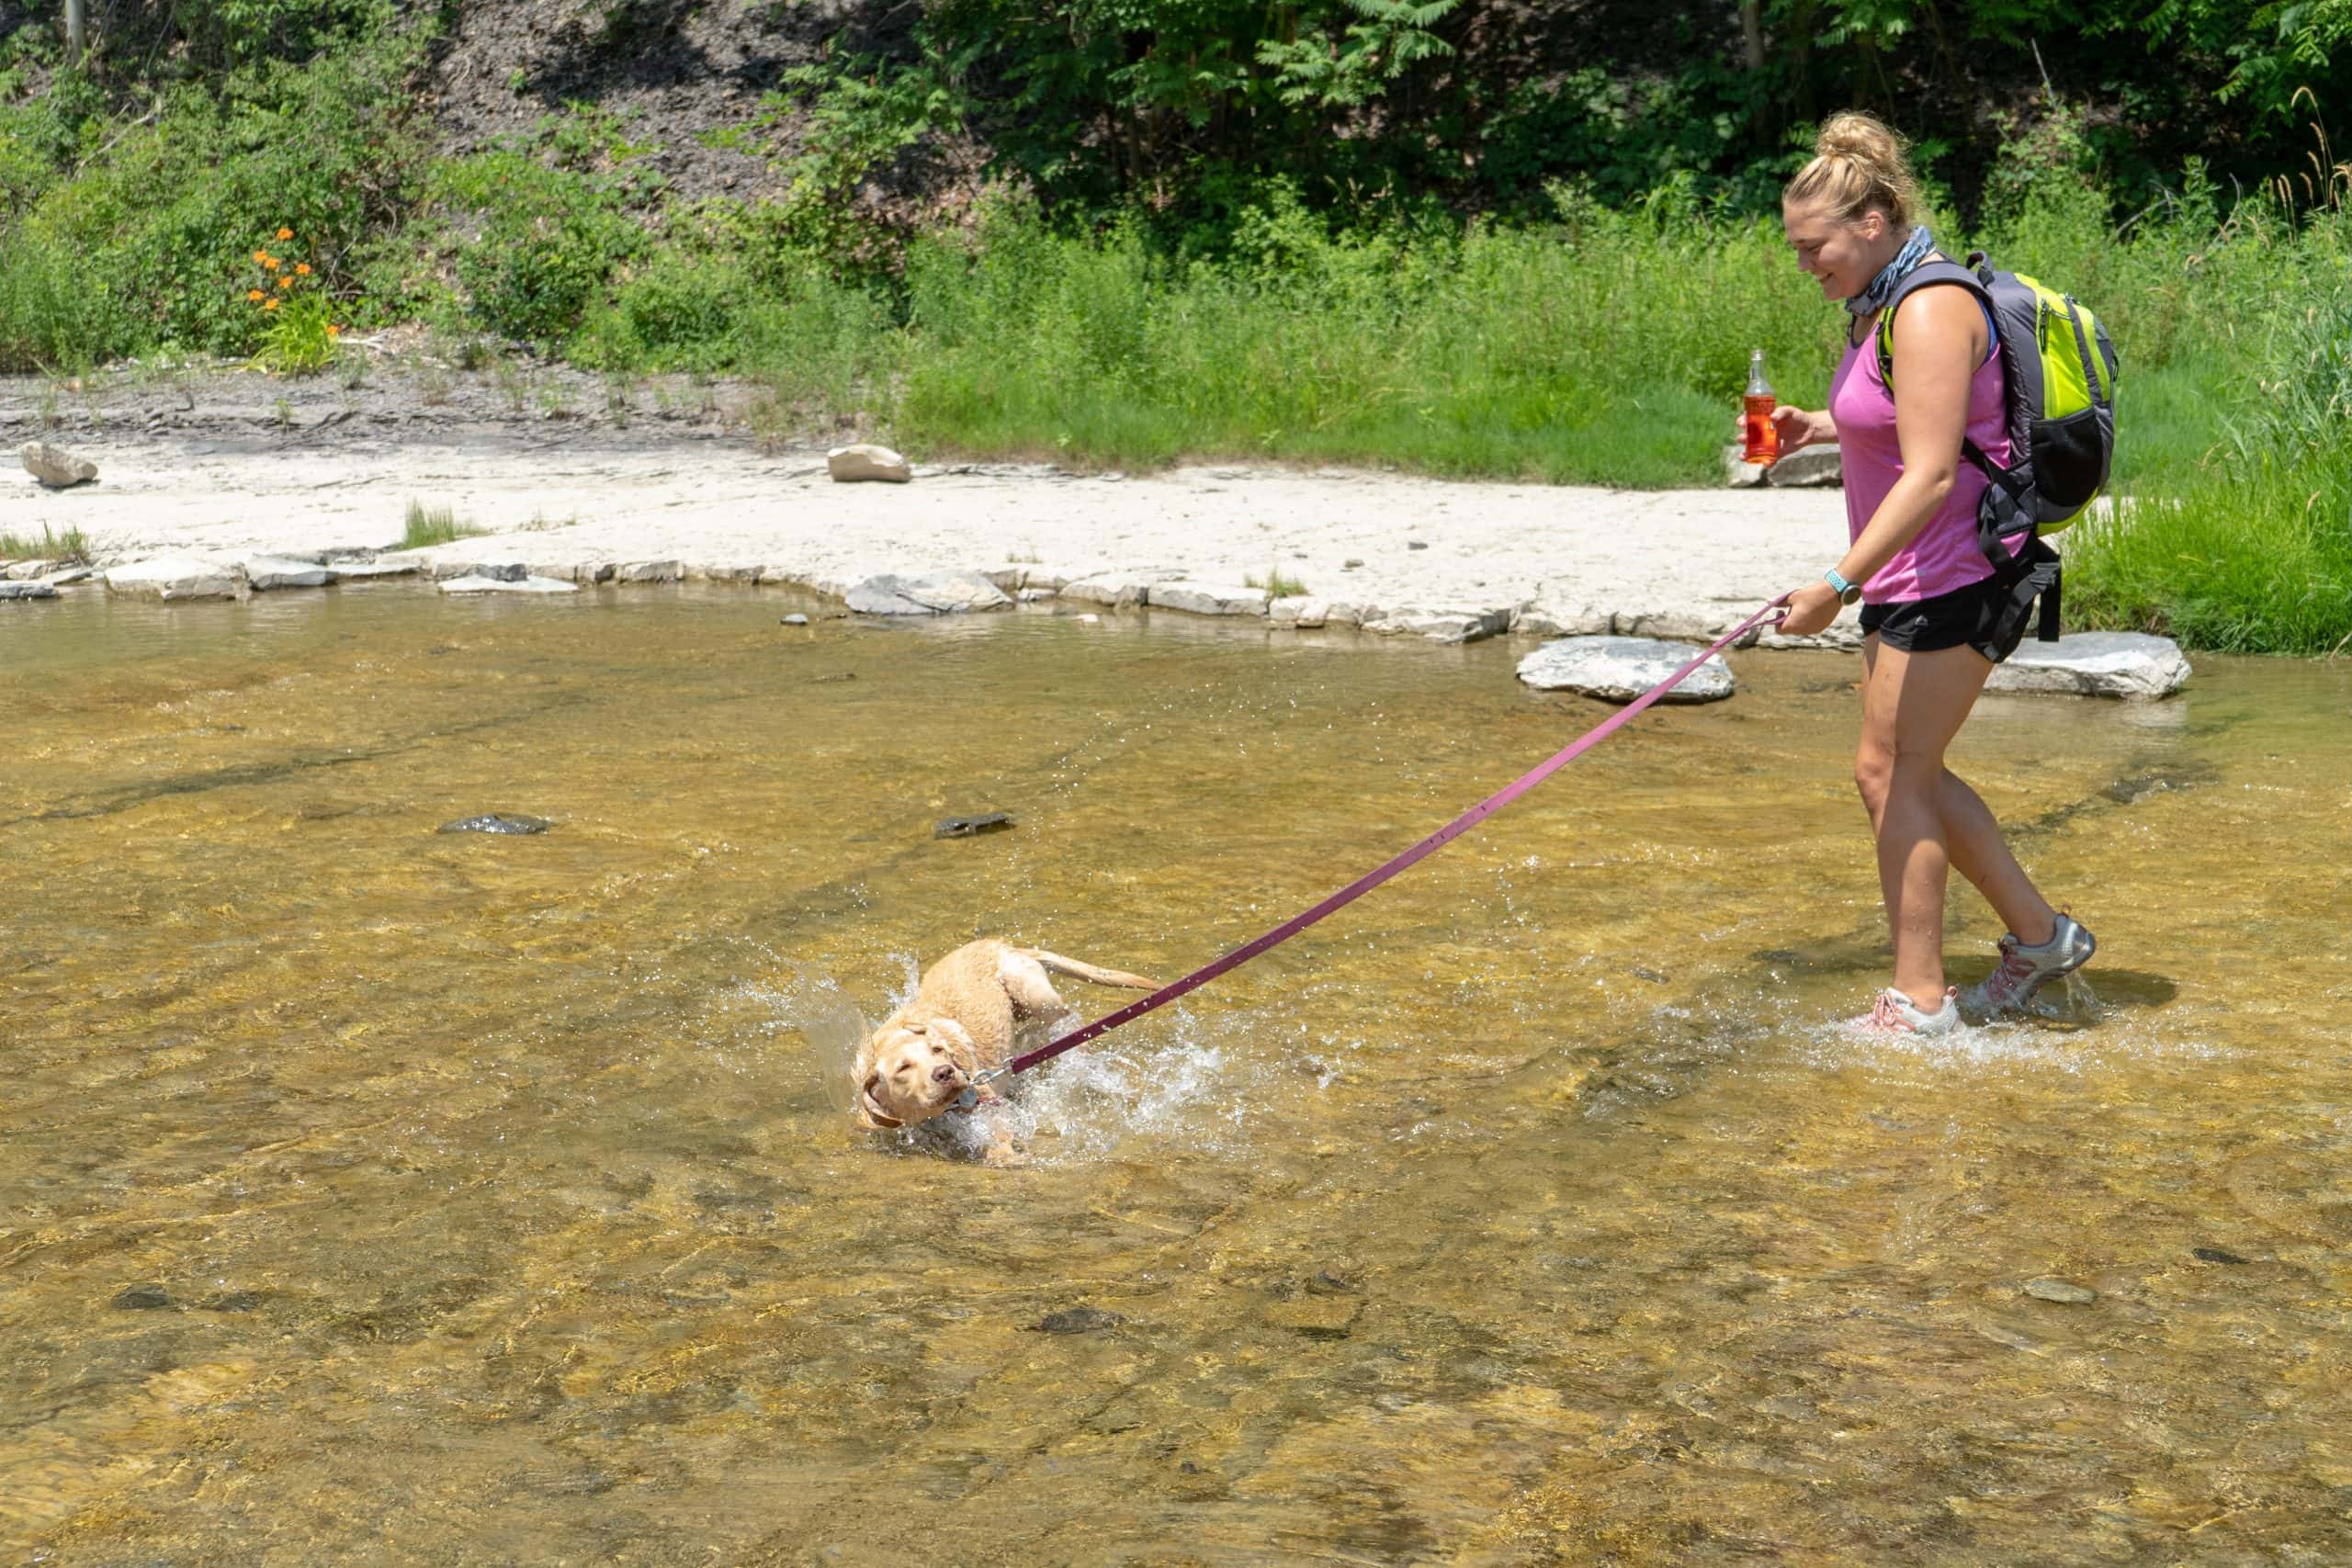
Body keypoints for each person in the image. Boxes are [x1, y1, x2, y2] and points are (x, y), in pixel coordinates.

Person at [1766, 112, 2094, 1034]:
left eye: (1812, 246)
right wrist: (1821, 428)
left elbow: (1935, 472)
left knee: (1897, 773)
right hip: (1913, 575)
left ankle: (1917, 1003)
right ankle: (2040, 940)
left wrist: (1833, 582)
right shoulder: (1879, 303)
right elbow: (1921, 426)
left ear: (1872, 221)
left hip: (1958, 572)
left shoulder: (1930, 305)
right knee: (1894, 769)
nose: (1804, 265)